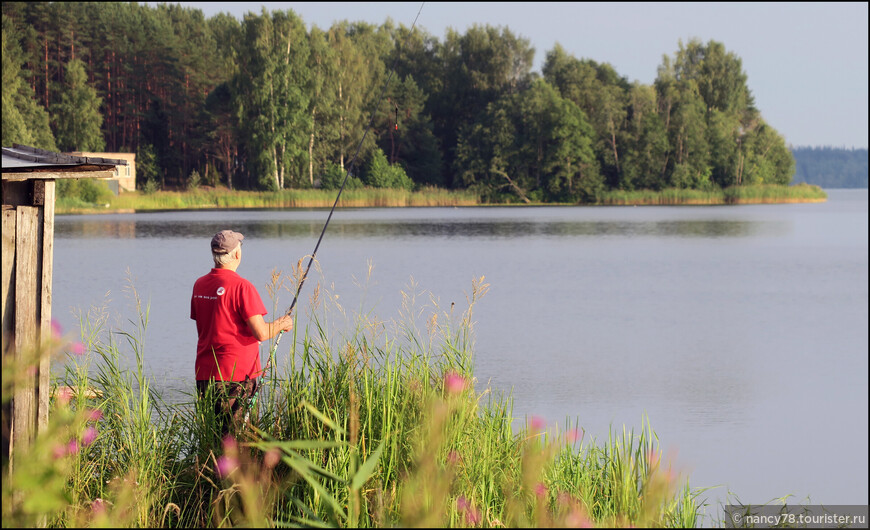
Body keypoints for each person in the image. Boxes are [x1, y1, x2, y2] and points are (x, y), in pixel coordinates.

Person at [190, 229, 293, 437]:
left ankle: (211, 469)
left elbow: (207, 325)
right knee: (239, 440)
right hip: (235, 377)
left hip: (205, 374)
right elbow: (261, 333)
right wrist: (282, 323)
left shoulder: (200, 284)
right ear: (237, 254)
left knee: (214, 438)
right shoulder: (242, 287)